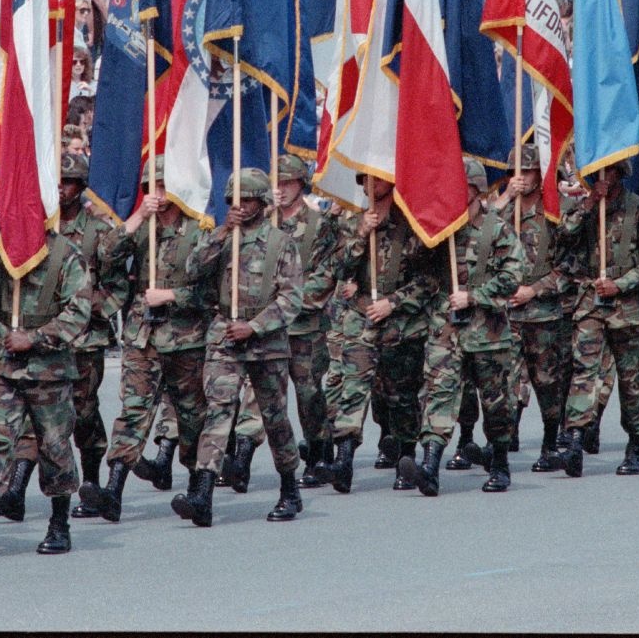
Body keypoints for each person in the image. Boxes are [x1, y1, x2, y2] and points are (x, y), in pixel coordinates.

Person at [0, 207, 91, 557]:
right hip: (2, 363)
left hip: (48, 368)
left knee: (54, 446)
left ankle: (59, 524)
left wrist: (36, 337)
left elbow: (78, 314)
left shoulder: (66, 256)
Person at [172, 169, 305, 526]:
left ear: (262, 202)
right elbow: (191, 269)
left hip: (266, 341)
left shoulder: (281, 243)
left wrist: (255, 326)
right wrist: (222, 232)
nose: (240, 207)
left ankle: (290, 488)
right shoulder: (221, 237)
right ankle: (202, 492)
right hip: (225, 335)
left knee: (274, 418)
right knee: (217, 412)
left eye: (247, 200)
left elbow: (292, 299)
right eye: (234, 200)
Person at [81, 157, 206, 523]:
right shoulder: (141, 229)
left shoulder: (199, 230)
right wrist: (137, 216)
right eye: (151, 187)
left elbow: (212, 290)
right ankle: (113, 491)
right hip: (143, 335)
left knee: (191, 415)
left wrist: (171, 297)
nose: (159, 194)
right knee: (133, 412)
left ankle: (200, 487)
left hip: (186, 337)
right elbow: (107, 254)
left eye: (164, 186)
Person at [400, 159, 524, 496]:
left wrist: (475, 296)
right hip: (447, 331)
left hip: (488, 333)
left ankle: (499, 463)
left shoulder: (497, 230)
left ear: (477, 191)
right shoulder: (443, 232)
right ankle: (429, 467)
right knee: (439, 395)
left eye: (462, 187)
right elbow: (415, 266)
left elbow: (513, 276)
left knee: (496, 403)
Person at [314, 173, 441, 493]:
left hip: (402, 325)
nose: (372, 182)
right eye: (366, 176)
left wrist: (393, 303)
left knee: (401, 398)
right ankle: (344, 460)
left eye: (379, 176)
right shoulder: (352, 224)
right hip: (361, 320)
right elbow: (339, 269)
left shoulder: (411, 224)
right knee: (352, 390)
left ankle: (406, 459)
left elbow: (429, 281)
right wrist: (361, 233)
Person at [555, 160, 639, 477]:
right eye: (598, 173)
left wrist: (621, 283)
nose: (603, 178)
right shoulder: (587, 209)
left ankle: (635, 445)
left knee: (631, 380)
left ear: (620, 173)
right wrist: (589, 203)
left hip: (628, 308)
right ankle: (575, 440)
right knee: (583, 371)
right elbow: (562, 236)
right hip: (591, 303)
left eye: (610, 171)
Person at [44, 154, 124, 521]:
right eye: (57, 181)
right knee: (45, 416)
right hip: (46, 337)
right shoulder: (40, 228)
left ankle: (91, 482)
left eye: (68, 182)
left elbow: (121, 286)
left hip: (85, 339)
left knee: (85, 412)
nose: (61, 188)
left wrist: (95, 307)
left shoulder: (98, 232)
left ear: (80, 188)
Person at [496, 144, 573, 472]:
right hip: (506, 313)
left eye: (528, 171)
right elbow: (478, 237)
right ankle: (502, 441)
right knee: (505, 379)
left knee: (547, 382)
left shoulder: (556, 212)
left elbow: (570, 269)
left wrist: (534, 290)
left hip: (543, 314)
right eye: (517, 172)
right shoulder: (503, 212)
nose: (522, 178)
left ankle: (550, 440)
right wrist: (503, 201)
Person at [273, 154, 344, 487]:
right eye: (277, 183)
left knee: (309, 394)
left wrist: (289, 301)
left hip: (305, 326)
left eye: (288, 182)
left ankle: (318, 452)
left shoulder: (319, 223)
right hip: (266, 328)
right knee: (268, 399)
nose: (282, 189)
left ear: (301, 184)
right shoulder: (264, 223)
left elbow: (327, 274)